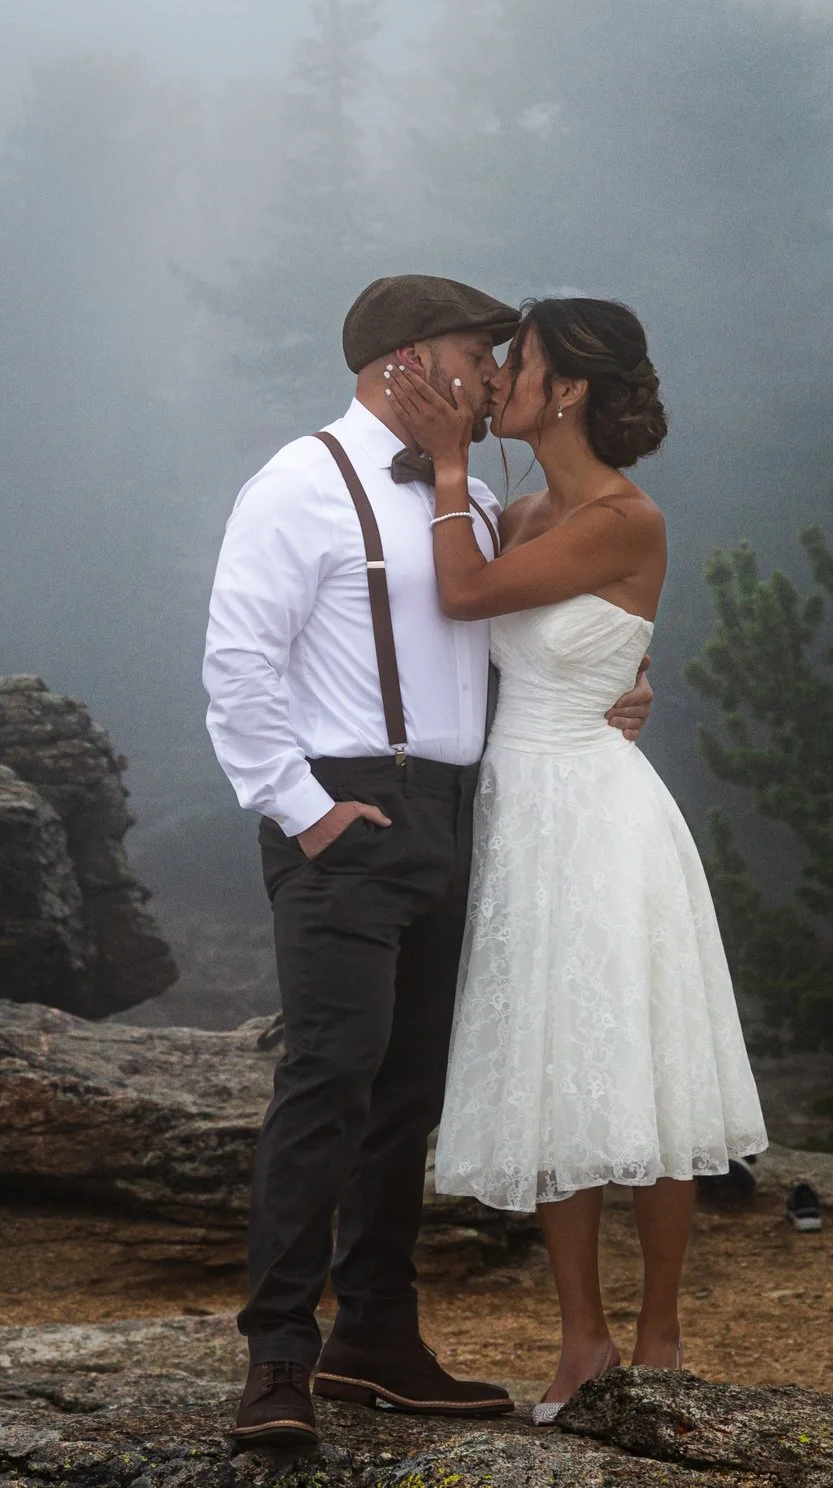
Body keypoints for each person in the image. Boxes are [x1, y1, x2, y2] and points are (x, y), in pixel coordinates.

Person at [203, 274, 654, 1449]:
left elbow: (514, 634)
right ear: (404, 362)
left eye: (505, 356)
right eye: (475, 351)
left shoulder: (479, 499)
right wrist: (304, 811)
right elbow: (238, 667)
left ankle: (378, 1337)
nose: (495, 375)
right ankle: (278, 1357)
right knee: (330, 1079)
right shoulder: (298, 483)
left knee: (405, 1096)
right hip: (347, 813)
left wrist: (620, 680)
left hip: (460, 812)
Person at [388, 296, 766, 1422]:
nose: (498, 373)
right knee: (555, 1067)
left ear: (569, 391)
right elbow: (473, 640)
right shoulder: (521, 507)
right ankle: (580, 1337)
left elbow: (464, 591)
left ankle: (657, 1331)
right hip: (519, 810)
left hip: (600, 817)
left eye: (521, 360)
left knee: (639, 1065)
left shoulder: (623, 516)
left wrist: (449, 465)